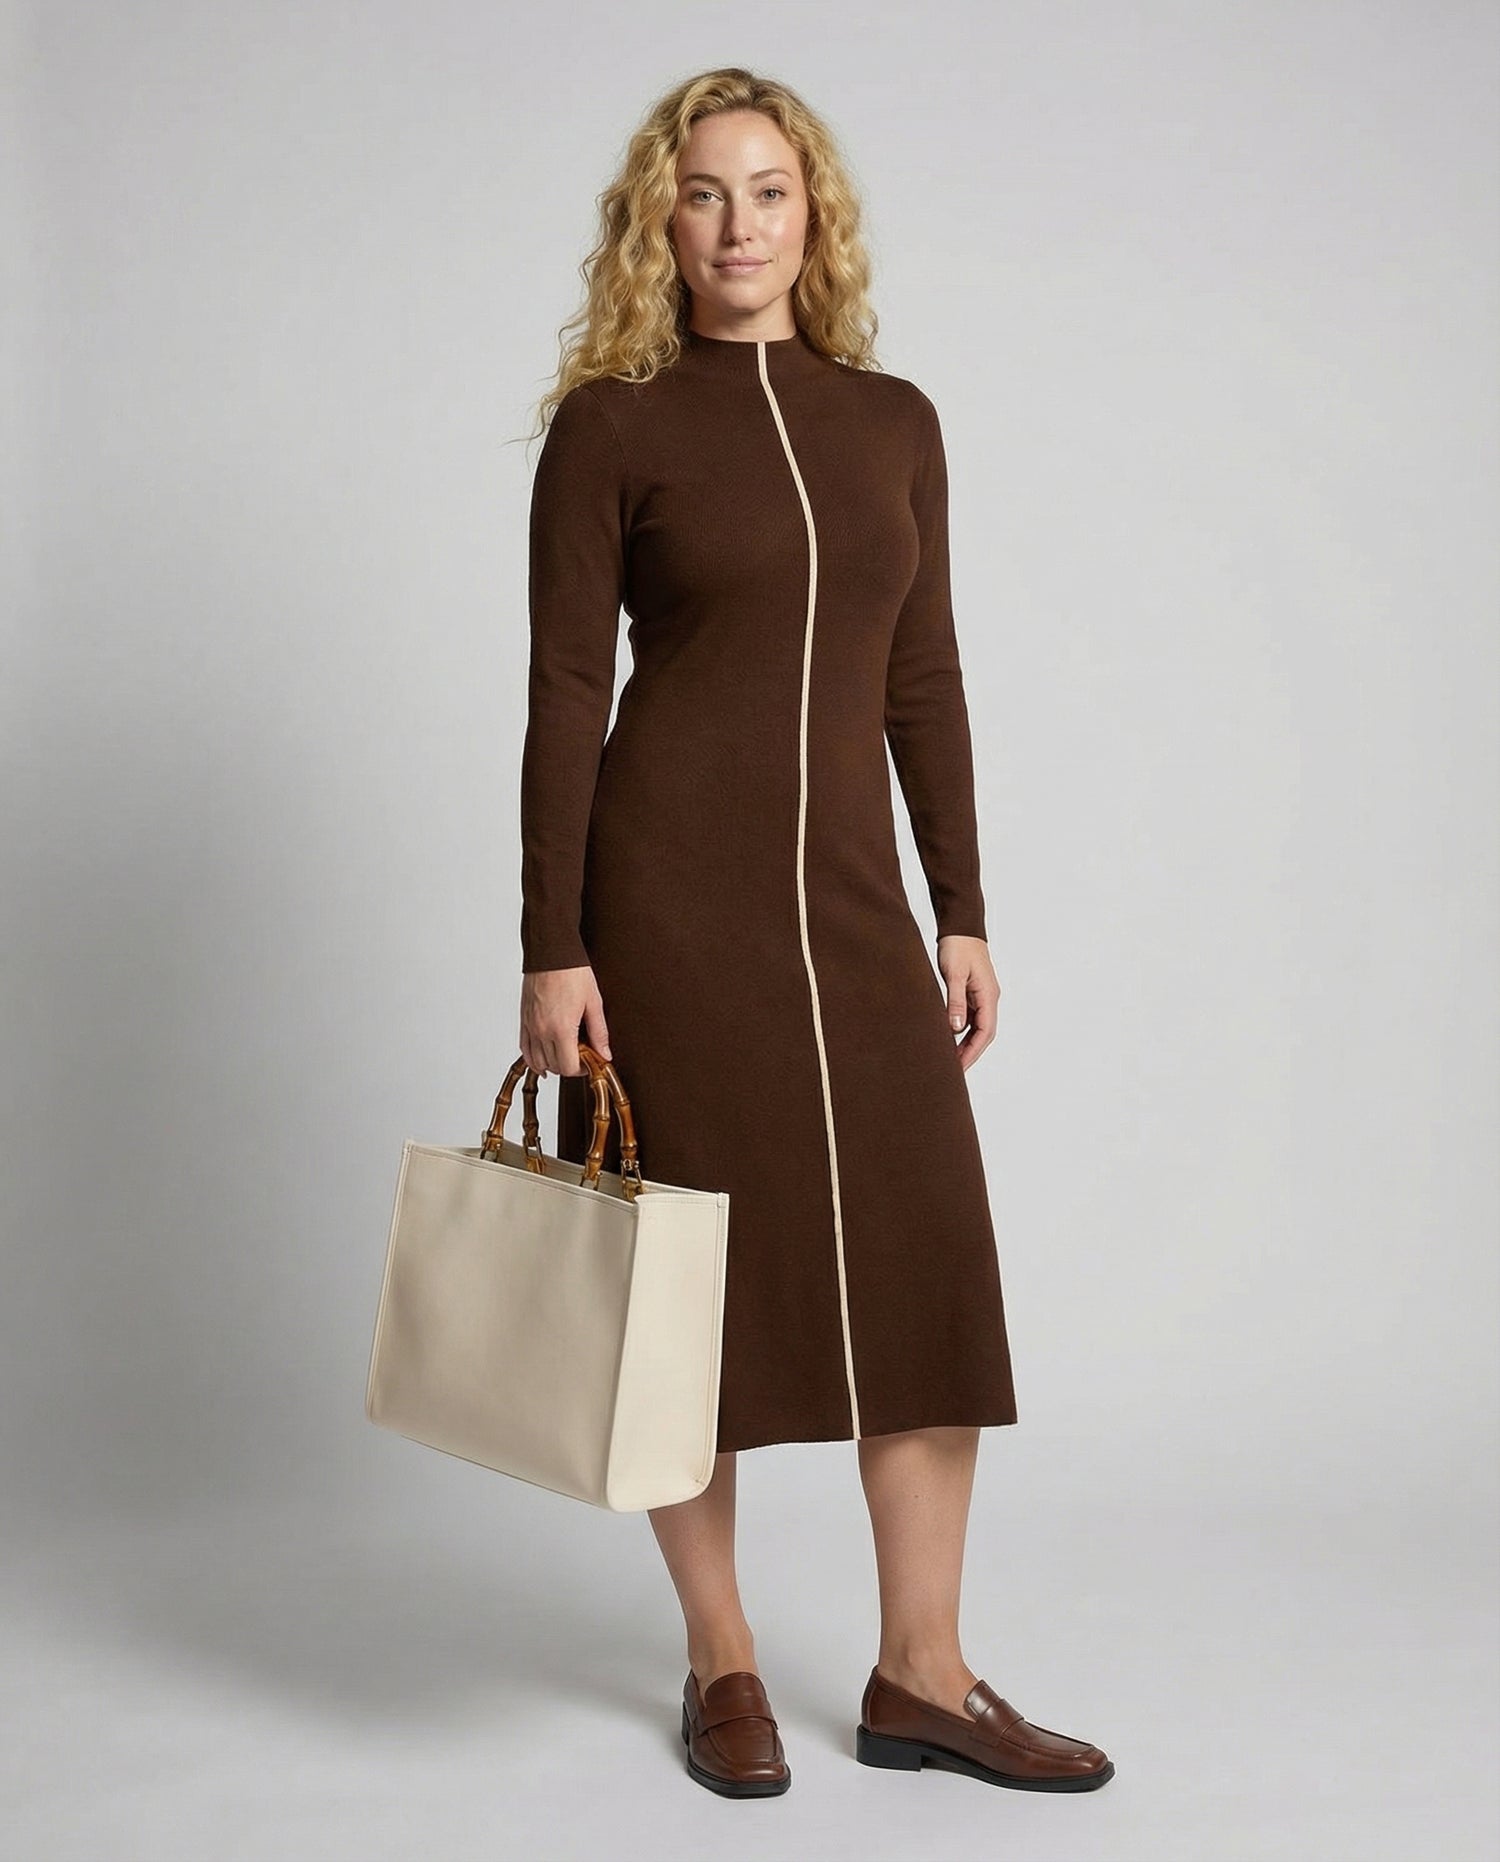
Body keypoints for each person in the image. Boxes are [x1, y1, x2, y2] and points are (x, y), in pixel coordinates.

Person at [517, 66, 1112, 1800]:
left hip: (854, 907)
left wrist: (966, 906)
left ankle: (924, 1670)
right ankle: (722, 1661)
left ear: (813, 215)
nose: (737, 226)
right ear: (661, 220)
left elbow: (922, 674)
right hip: (669, 911)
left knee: (923, 1267)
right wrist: (556, 942)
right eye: (703, 195)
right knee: (684, 1286)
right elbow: (566, 693)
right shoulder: (610, 426)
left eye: (768, 192)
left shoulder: (892, 420)